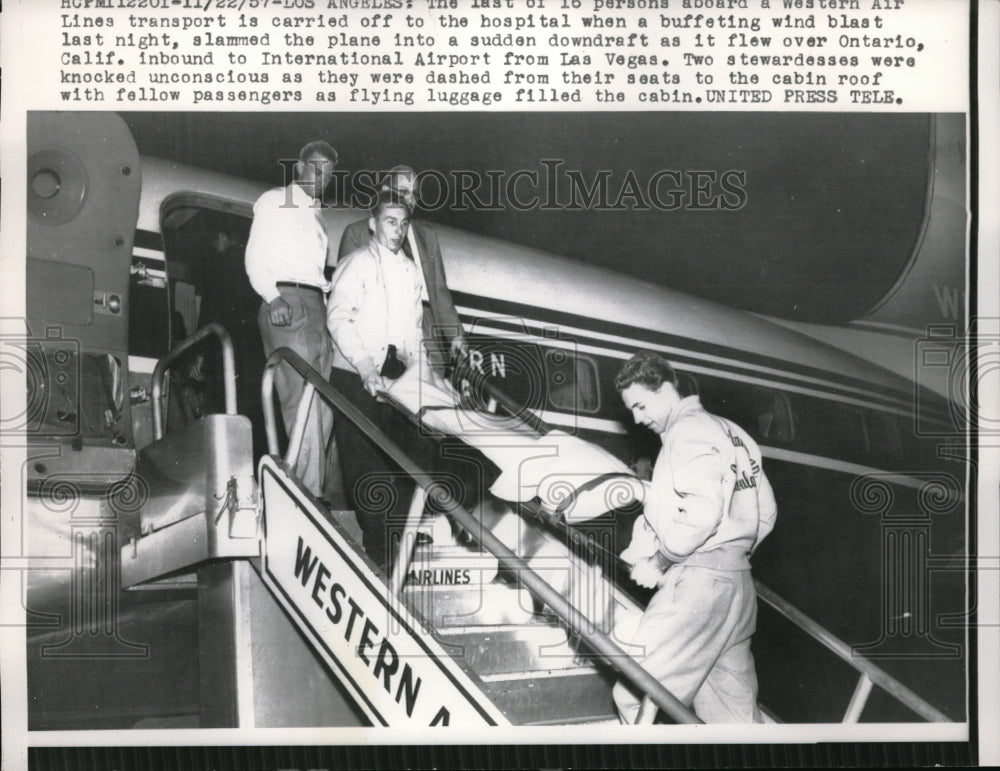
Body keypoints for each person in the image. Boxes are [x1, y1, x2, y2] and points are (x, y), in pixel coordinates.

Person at [612, 351, 777, 724]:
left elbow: (701, 512)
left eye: (640, 405)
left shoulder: (687, 432)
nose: (637, 418)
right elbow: (766, 512)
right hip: (738, 588)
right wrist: (730, 555)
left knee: (635, 696)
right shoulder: (734, 432)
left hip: (697, 589)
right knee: (733, 719)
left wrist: (661, 560)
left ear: (666, 388)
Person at [327, 189, 440, 570]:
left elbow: (414, 331)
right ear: (373, 224)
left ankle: (397, 547)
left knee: (418, 456)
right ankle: (380, 559)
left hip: (396, 379)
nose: (397, 229)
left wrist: (424, 377)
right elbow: (338, 318)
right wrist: (365, 368)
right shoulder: (356, 263)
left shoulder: (410, 272)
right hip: (356, 378)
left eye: (403, 223)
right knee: (368, 470)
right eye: (390, 221)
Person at [245, 141, 338, 497]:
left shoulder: (318, 215)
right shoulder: (274, 201)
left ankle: (303, 486)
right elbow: (255, 256)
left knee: (324, 405)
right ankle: (309, 496)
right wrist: (273, 297)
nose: (322, 177)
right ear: (299, 167)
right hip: (288, 300)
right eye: (316, 168)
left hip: (317, 305)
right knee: (301, 402)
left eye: (328, 172)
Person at [338, 165, 464, 374]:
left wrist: (457, 337)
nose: (411, 199)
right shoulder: (356, 233)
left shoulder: (428, 237)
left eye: (415, 194)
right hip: (379, 331)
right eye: (404, 192)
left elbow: (440, 295)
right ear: (385, 190)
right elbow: (346, 300)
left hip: (424, 329)